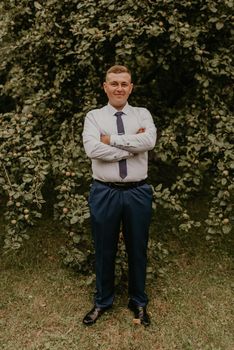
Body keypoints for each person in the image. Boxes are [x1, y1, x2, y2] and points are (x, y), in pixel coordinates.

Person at [82, 65, 157, 326]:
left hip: (137, 192)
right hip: (105, 192)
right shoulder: (93, 117)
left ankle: (138, 301)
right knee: (104, 248)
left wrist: (110, 140)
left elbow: (149, 142)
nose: (119, 88)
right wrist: (130, 148)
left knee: (138, 248)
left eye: (124, 83)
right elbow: (93, 149)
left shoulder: (142, 114)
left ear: (131, 87)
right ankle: (103, 301)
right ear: (105, 86)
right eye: (114, 83)